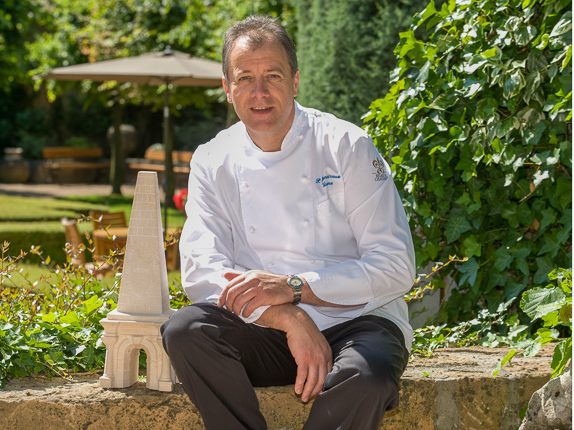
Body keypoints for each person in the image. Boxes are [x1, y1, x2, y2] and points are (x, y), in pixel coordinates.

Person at [161, 15, 417, 430]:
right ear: (227, 89)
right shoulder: (213, 159)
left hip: (357, 321)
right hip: (265, 326)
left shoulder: (345, 145)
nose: (259, 93)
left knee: (366, 379)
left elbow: (395, 266)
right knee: (186, 330)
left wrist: (295, 289)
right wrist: (288, 316)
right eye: (244, 78)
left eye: (273, 76)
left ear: (295, 81)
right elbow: (199, 268)